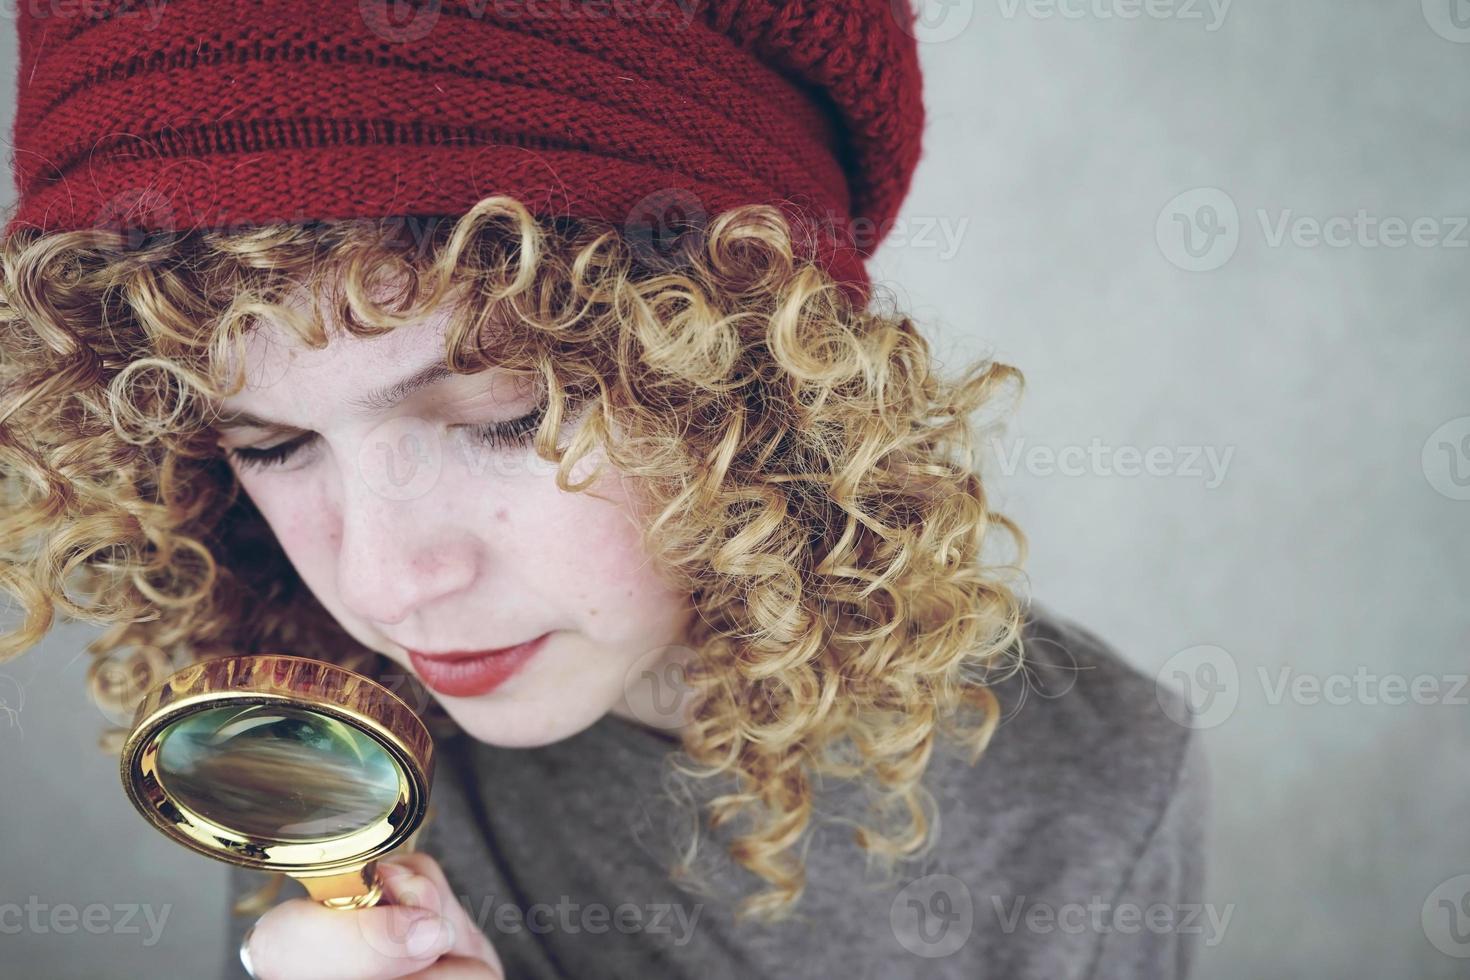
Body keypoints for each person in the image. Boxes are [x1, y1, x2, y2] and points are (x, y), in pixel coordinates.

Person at [0, 2, 1210, 978]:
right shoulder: (335, 737)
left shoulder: (1089, 785)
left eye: (496, 415)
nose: (382, 582)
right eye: (269, 445)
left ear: (753, 372)